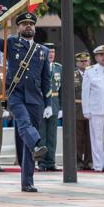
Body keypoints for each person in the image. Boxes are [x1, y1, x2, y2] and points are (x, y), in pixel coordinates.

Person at [0, 12, 50, 192]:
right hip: (15, 94)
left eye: (31, 24)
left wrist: (49, 103)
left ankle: (27, 181)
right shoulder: (11, 43)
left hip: (35, 99)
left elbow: (46, 80)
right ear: (18, 27)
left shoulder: (42, 51)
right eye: (24, 24)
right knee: (24, 123)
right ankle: (37, 143)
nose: (28, 26)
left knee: (25, 142)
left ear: (34, 28)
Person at [38, 43, 61, 172]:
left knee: (52, 135)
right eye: (49, 52)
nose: (51, 54)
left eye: (52, 52)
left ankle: (51, 161)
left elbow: (62, 89)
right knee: (42, 135)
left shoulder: (59, 68)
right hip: (41, 103)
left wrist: (61, 107)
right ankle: (42, 162)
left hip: (55, 103)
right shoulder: (39, 67)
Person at [74, 52, 93, 170]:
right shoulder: (73, 75)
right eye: (81, 61)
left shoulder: (94, 75)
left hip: (92, 108)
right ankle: (77, 161)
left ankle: (89, 161)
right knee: (78, 138)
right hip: (77, 108)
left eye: (86, 61)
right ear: (77, 63)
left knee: (90, 138)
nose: (84, 63)